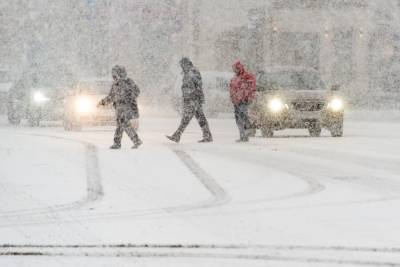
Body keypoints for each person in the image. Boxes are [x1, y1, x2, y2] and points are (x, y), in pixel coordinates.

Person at [167, 57, 213, 143]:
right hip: (191, 99)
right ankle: (207, 136)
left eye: (182, 65)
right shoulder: (187, 72)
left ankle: (177, 135)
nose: (181, 67)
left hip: (193, 99)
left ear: (186, 64)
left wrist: (196, 97)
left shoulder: (193, 72)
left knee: (186, 119)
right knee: (200, 118)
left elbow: (198, 85)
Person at [98, 65, 142, 149]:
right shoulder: (116, 84)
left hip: (126, 107)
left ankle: (134, 140)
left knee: (124, 124)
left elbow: (137, 91)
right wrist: (103, 102)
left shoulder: (128, 82)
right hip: (119, 108)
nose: (113, 75)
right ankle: (119, 143)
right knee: (120, 125)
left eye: (114, 73)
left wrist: (129, 97)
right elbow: (111, 96)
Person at [229, 61, 256, 142]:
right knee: (238, 119)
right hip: (236, 101)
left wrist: (247, 96)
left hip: (244, 100)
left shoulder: (247, 76)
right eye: (233, 69)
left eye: (235, 69)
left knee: (243, 115)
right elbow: (232, 88)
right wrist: (233, 97)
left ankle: (248, 130)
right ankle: (243, 135)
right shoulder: (234, 78)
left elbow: (252, 87)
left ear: (239, 68)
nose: (234, 70)